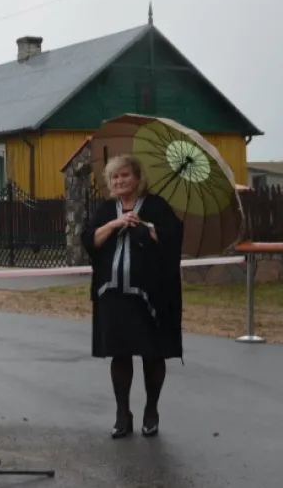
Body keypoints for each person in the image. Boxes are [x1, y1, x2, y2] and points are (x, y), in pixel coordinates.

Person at [80, 154, 184, 440]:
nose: (119, 181)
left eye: (124, 175)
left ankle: (151, 410)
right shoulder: (105, 209)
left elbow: (171, 239)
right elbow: (90, 240)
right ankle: (122, 413)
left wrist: (145, 228)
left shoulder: (156, 206)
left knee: (152, 354)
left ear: (138, 178)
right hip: (113, 295)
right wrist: (115, 224)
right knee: (120, 354)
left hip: (150, 297)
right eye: (114, 177)